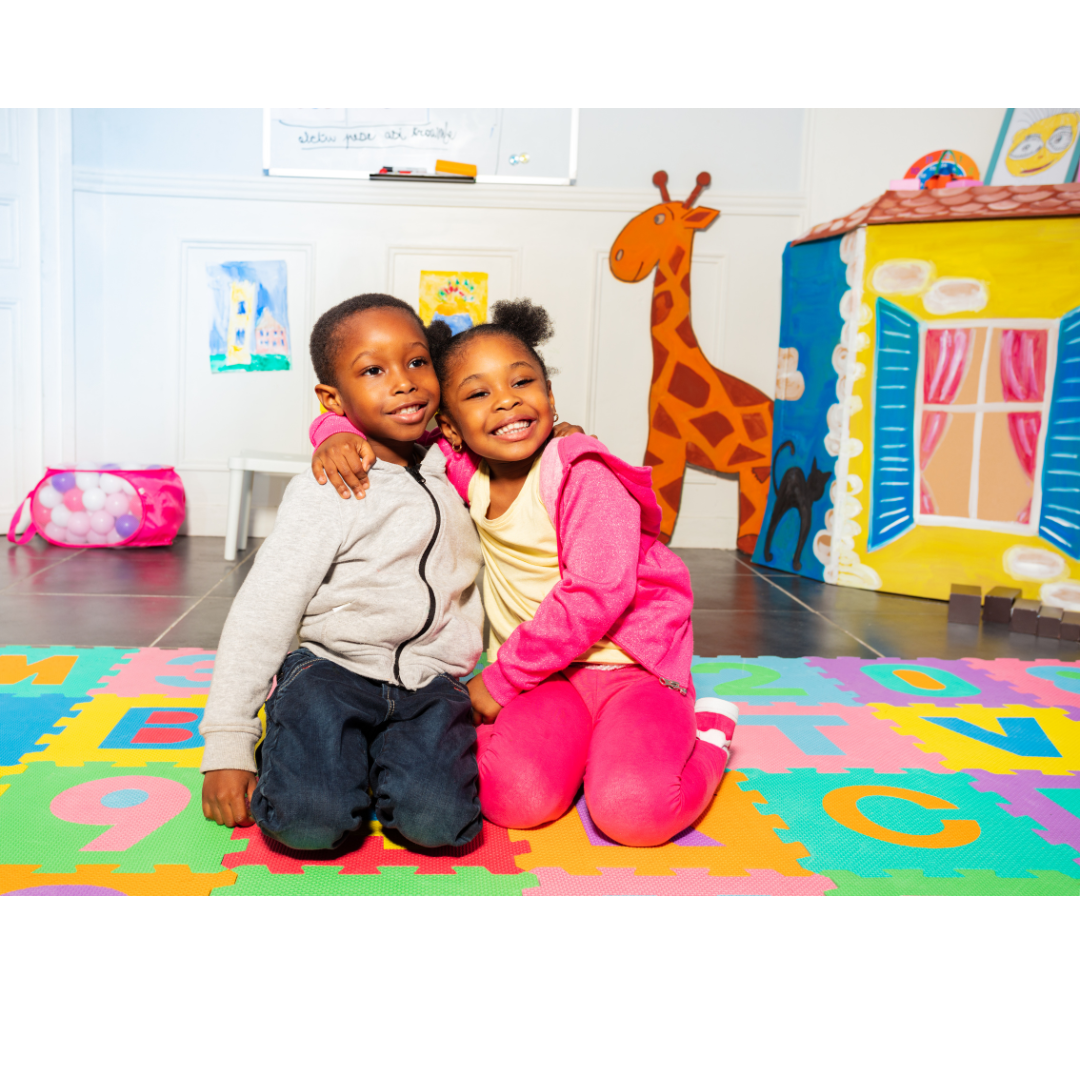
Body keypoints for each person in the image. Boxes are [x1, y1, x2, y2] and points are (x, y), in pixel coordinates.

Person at [310, 299, 737, 848]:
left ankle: (709, 738)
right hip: (548, 676)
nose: (506, 400)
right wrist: (328, 431)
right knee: (510, 799)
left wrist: (502, 678)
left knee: (634, 814)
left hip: (633, 669)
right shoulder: (465, 470)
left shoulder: (582, 472)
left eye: (522, 382)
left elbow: (596, 591)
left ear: (551, 397)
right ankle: (586, 750)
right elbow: (380, 419)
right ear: (452, 429)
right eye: (478, 394)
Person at [199, 293, 485, 852]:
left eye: (417, 361)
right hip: (331, 674)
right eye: (373, 370)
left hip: (429, 683)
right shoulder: (334, 482)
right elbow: (265, 610)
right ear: (333, 398)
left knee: (440, 826)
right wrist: (229, 744)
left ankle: (376, 760)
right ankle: (312, 748)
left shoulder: (459, 467)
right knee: (308, 826)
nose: (403, 382)